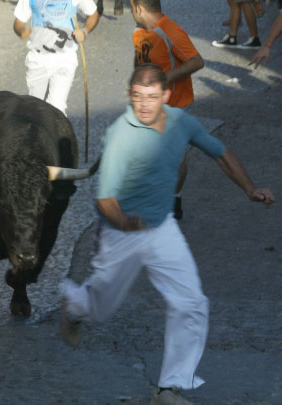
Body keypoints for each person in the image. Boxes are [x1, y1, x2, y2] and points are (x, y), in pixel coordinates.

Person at [60, 64, 274, 405]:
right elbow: (105, 198)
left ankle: (168, 388)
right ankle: (75, 306)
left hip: (162, 227)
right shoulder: (121, 134)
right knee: (100, 308)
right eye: (139, 98)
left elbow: (221, 154)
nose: (145, 106)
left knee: (191, 302)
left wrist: (249, 189)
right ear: (130, 96)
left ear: (166, 96)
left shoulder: (181, 122)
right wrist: (126, 222)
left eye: (152, 98)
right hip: (120, 231)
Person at [130, 0, 204, 219]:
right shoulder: (139, 33)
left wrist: (165, 78)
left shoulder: (169, 30)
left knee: (174, 157)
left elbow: (197, 61)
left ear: (139, 8)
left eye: (131, 9)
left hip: (175, 106)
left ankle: (174, 198)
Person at [13, 0, 101, 115]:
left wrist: (84, 32)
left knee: (57, 108)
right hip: (38, 58)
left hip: (65, 58)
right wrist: (22, 31)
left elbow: (94, 14)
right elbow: (18, 22)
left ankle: (58, 132)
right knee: (35, 108)